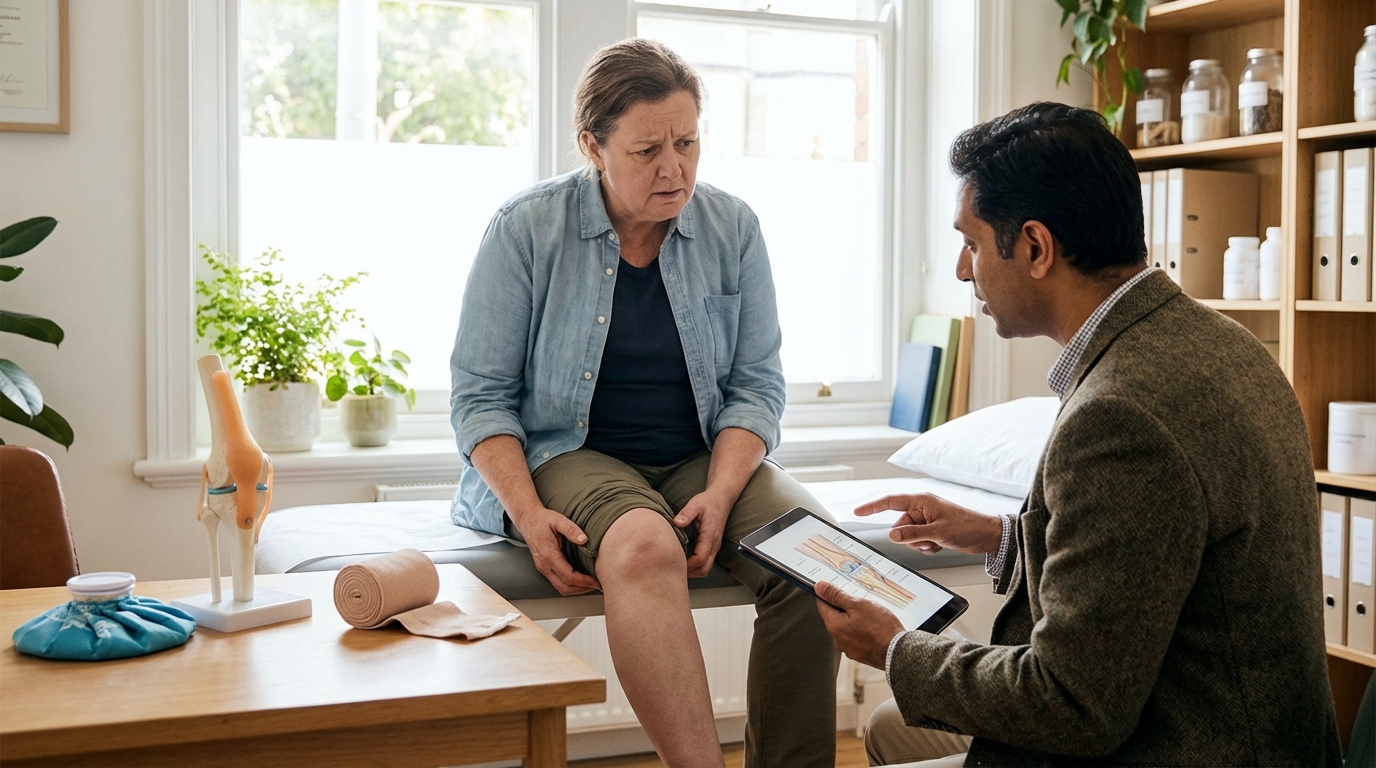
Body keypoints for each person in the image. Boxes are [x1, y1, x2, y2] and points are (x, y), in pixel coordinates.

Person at [814, 102, 1342, 767]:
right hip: (1255, 735)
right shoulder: (1221, 345)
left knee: (903, 708)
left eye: (972, 242)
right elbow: (1153, 559)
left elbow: (1070, 703)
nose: (961, 268)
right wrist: (998, 534)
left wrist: (891, 647)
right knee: (897, 726)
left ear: (1035, 247)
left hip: (1185, 746)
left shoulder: (1120, 416)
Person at [449, 38, 837, 768]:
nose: (674, 168)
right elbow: (480, 399)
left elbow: (756, 385)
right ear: (592, 146)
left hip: (699, 454)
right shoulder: (527, 228)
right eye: (647, 149)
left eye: (688, 143)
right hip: (567, 452)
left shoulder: (733, 228)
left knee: (813, 553)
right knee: (643, 543)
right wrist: (528, 515)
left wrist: (724, 493)